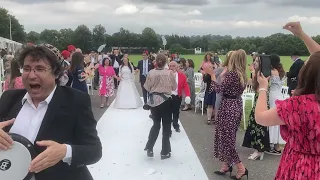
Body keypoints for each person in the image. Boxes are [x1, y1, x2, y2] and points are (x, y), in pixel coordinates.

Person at [0, 44, 102, 180]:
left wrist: (65, 151)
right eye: (27, 68)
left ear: (56, 73)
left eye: (39, 69)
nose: (31, 75)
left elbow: (94, 150)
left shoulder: (76, 101)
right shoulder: (9, 98)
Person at [255, 21, 320, 180]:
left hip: (298, 167)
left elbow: (261, 117)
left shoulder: (297, 105)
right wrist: (301, 34)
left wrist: (263, 87)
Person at [203, 49, 248, 180]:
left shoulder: (233, 74)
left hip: (228, 106)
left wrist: (212, 75)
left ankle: (241, 168)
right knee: (228, 137)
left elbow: (218, 89)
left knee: (227, 139)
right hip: (235, 105)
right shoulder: (241, 74)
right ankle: (226, 165)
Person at [143, 53, 176, 160]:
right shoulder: (170, 73)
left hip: (154, 102)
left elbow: (147, 87)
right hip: (166, 101)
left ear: (156, 62)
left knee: (156, 125)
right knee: (166, 127)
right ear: (166, 62)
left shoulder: (151, 73)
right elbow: (174, 86)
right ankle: (165, 152)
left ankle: (150, 148)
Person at [168, 61, 190, 133]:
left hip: (177, 96)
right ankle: (168, 130)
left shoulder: (182, 76)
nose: (171, 67)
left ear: (177, 67)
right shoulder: (165, 75)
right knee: (167, 113)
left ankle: (175, 124)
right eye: (170, 66)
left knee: (176, 112)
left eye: (173, 66)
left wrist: (188, 95)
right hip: (167, 96)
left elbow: (185, 86)